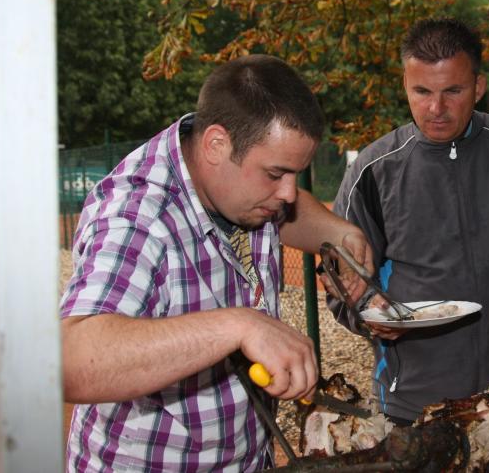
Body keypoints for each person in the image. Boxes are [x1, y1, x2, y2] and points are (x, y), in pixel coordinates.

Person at [60, 54, 372, 471]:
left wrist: (340, 235)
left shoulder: (236, 183)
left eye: (294, 175)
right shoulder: (137, 218)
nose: (287, 193)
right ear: (216, 145)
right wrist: (238, 326)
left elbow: (292, 211)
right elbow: (71, 360)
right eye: (275, 174)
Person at [328, 18, 489, 427]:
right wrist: (368, 310)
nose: (436, 108)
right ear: (405, 85)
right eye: (422, 91)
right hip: (414, 401)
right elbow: (342, 271)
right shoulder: (373, 170)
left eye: (453, 90)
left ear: (478, 87)